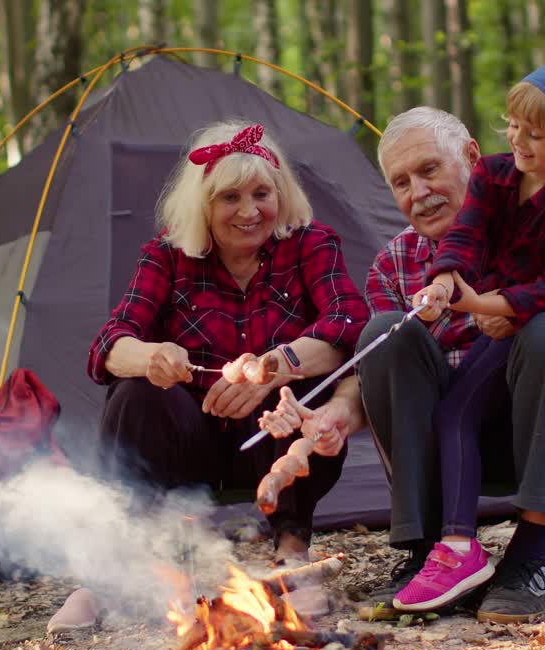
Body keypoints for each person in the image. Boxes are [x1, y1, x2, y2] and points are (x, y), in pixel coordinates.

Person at [260, 99, 545, 622]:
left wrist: (528, 298)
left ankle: (530, 556)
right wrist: (336, 416)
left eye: (429, 169)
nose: (419, 193)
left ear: (472, 157)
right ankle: (427, 548)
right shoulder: (395, 263)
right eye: (402, 183)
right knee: (383, 332)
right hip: (452, 446)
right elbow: (375, 375)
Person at [86, 120, 369, 566]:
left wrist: (275, 366)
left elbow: (350, 325)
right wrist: (153, 357)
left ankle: (292, 553)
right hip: (189, 447)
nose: (249, 211)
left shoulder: (310, 244)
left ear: (281, 194)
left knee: (292, 399)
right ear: (203, 204)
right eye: (230, 197)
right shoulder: (166, 255)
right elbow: (108, 346)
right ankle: (126, 568)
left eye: (261, 194)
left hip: (271, 447)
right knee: (136, 392)